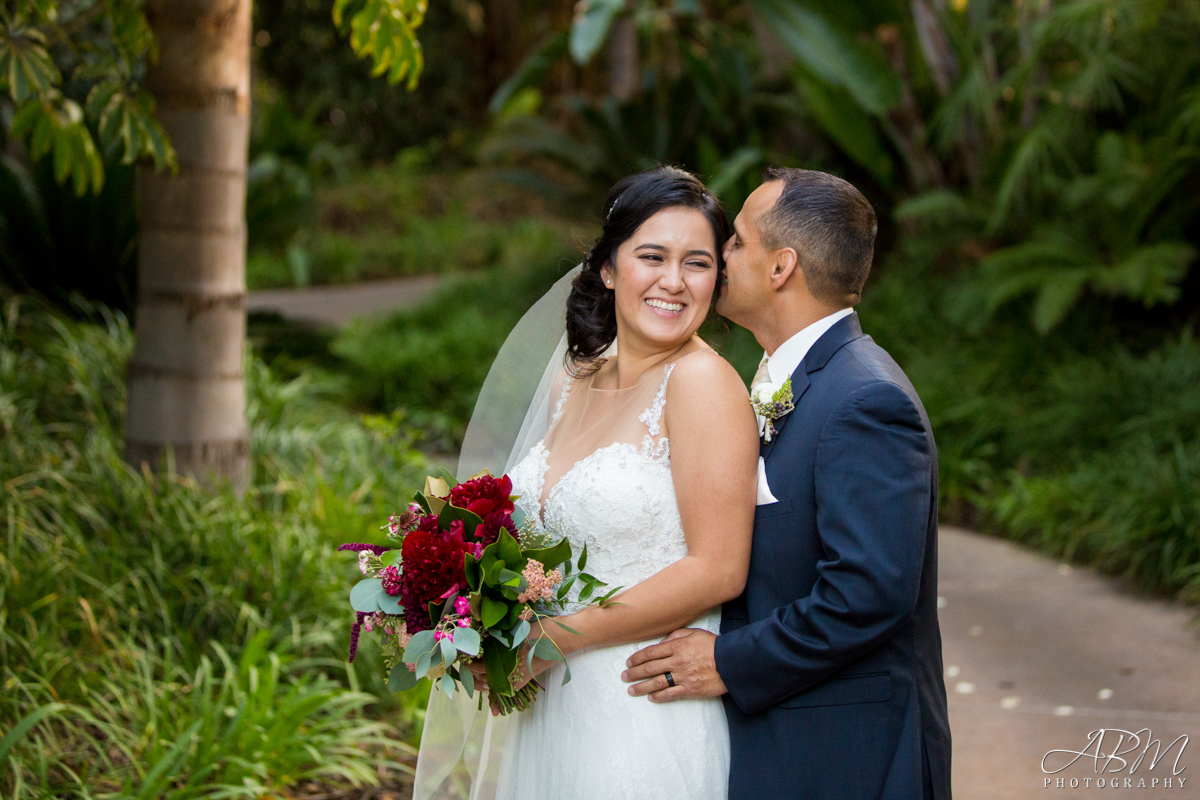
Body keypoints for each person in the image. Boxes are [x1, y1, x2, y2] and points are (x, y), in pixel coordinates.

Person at [414, 166, 760, 800]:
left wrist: (550, 639)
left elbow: (719, 568)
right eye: (652, 256)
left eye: (698, 263)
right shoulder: (574, 378)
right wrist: (476, 610)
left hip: (640, 707)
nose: (674, 282)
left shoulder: (702, 385)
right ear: (608, 267)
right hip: (554, 706)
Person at [621, 168, 953, 800]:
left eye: (738, 242)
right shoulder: (792, 378)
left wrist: (726, 660)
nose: (721, 254)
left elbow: (868, 594)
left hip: (848, 757)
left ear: (781, 268)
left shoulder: (865, 399)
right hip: (785, 745)